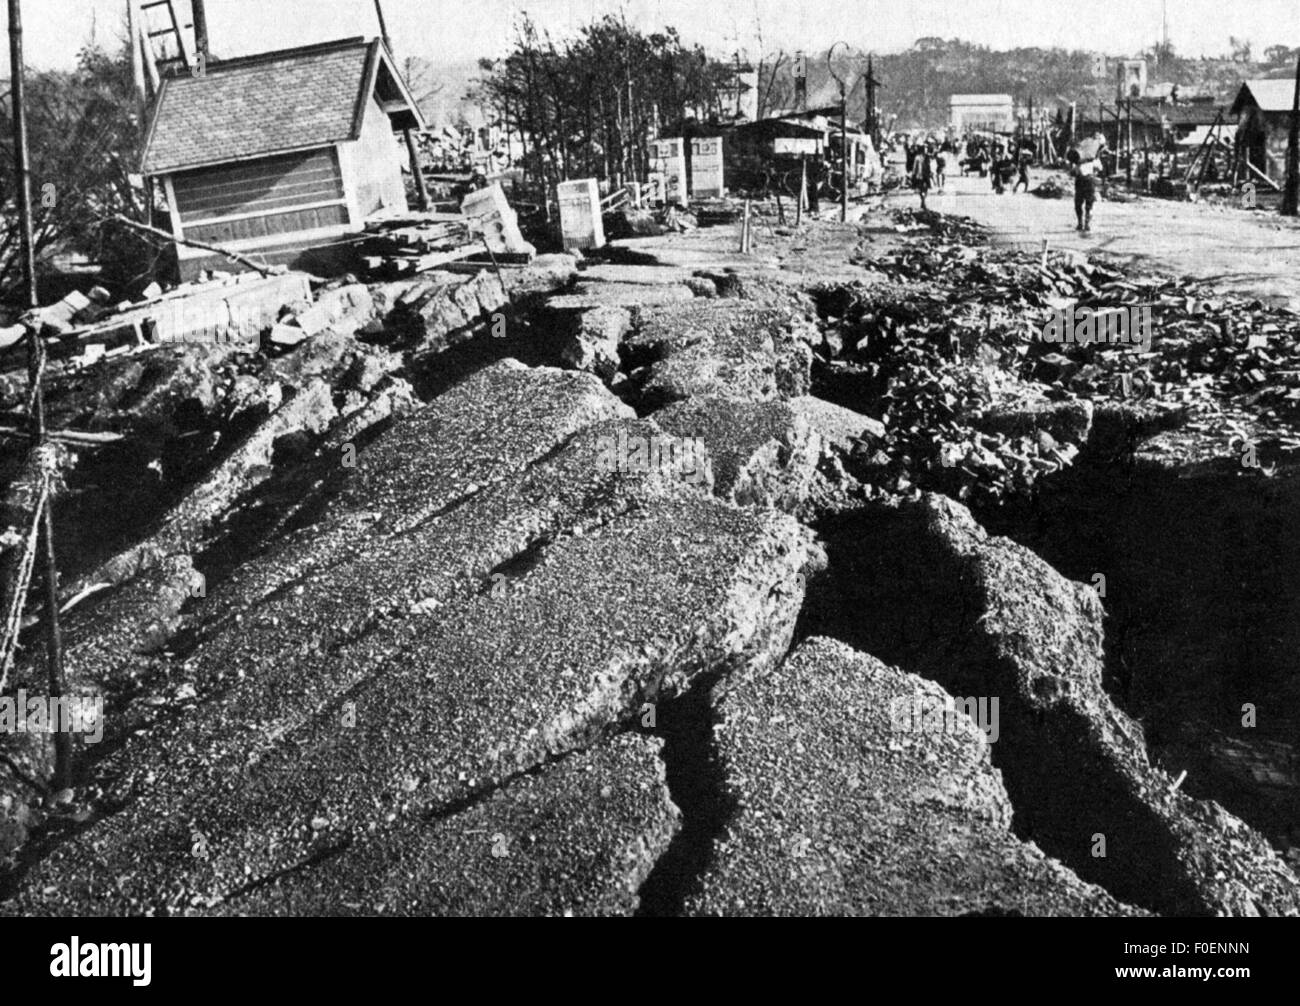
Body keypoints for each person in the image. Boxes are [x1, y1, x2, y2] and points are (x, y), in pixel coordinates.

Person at [1068, 131, 1108, 233]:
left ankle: (1080, 223)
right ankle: (1086, 224)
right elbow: (1100, 168)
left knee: (1078, 203)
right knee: (1088, 204)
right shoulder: (1094, 160)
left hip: (1080, 181)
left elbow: (1072, 172)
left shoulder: (1079, 161)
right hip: (1089, 181)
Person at [911, 144, 933, 210]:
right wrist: (913, 174)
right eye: (925, 149)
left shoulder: (928, 157)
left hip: (926, 175)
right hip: (919, 175)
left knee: (926, 189)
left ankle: (923, 201)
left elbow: (930, 165)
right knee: (921, 189)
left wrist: (931, 172)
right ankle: (923, 201)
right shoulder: (917, 157)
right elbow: (915, 167)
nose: (926, 150)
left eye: (926, 149)